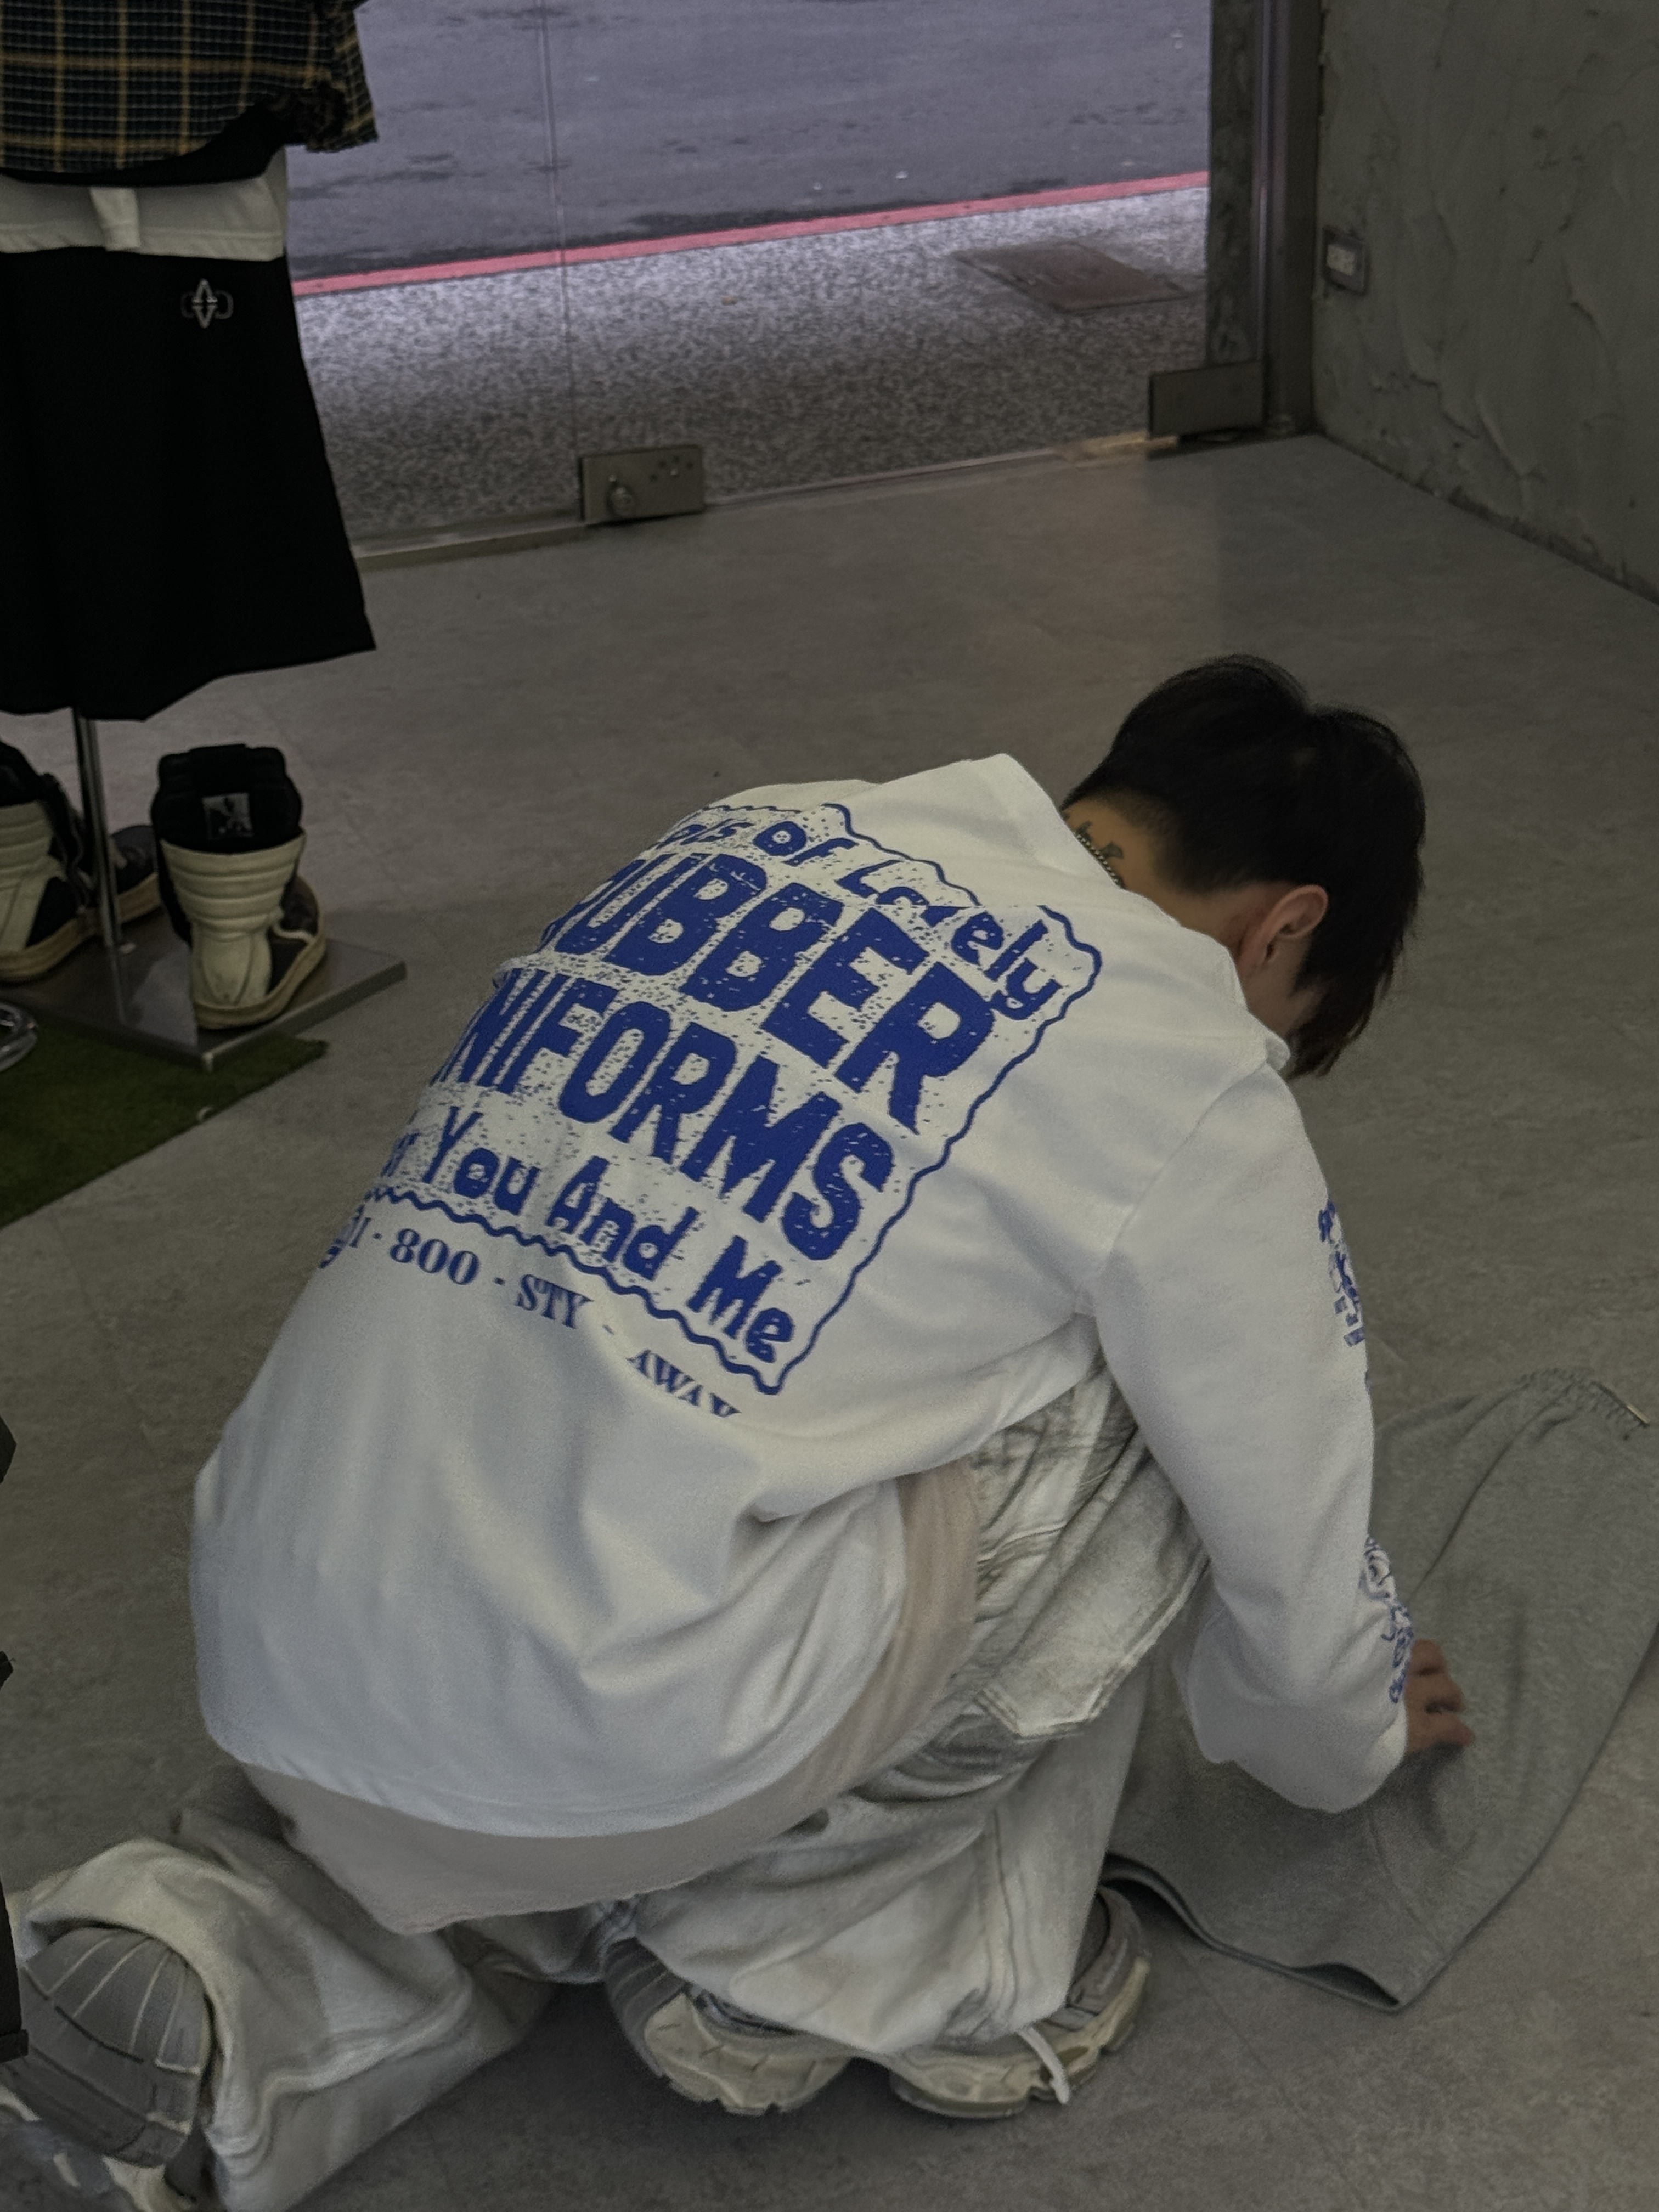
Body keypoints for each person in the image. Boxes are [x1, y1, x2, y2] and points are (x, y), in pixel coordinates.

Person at [2, 656, 1471, 2212]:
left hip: (277, 1616)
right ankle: (822, 1951)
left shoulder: (755, 827)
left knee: (510, 1733)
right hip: (628, 1701)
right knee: (1170, 1376)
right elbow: (1287, 1529)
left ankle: (208, 1947)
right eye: (1295, 1021)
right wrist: (1354, 1723)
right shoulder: (1182, 1051)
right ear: (1284, 928)